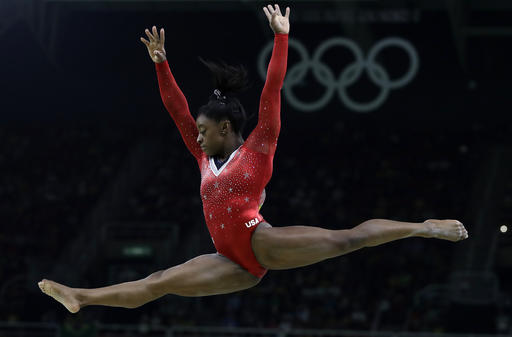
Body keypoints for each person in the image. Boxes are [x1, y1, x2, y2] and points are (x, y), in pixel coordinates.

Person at [38, 4, 468, 314]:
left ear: (226, 129)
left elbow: (273, 90)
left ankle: (424, 227)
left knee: (348, 238)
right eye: (198, 132)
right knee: (157, 283)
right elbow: (178, 111)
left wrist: (282, 37)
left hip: (260, 243)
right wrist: (162, 65)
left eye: (205, 131)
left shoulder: (259, 146)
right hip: (230, 262)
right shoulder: (202, 155)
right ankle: (81, 296)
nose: (197, 136)